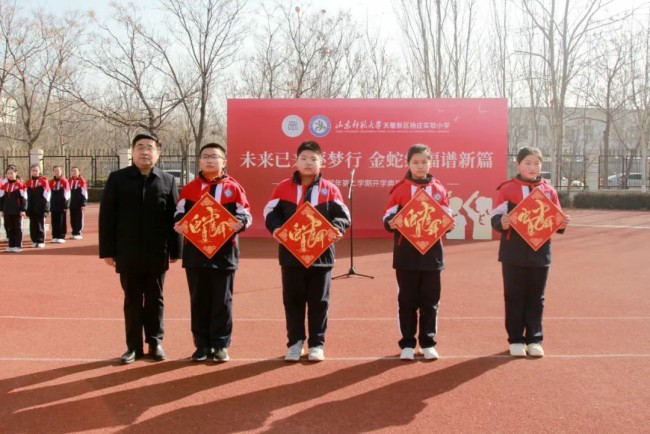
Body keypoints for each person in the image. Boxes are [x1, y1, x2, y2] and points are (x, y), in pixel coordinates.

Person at [99, 131, 182, 364]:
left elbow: (173, 218)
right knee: (132, 299)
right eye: (140, 147)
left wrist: (176, 250)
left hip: (157, 251)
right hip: (127, 251)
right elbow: (107, 216)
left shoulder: (167, 180)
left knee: (156, 298)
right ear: (133, 152)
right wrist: (107, 250)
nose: (145, 151)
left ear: (158, 152)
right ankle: (133, 347)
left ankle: (155, 342)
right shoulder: (117, 179)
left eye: (150, 147)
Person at [263, 140, 350, 362]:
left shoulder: (330, 189)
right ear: (296, 161)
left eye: (313, 159)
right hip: (291, 256)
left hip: (322, 256)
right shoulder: (283, 187)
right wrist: (276, 229)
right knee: (292, 300)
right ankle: (295, 343)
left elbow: (343, 216)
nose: (309, 163)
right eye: (304, 158)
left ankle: (317, 344)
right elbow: (270, 213)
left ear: (321, 161)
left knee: (319, 301)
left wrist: (337, 228)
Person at [174, 143, 252, 363]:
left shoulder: (234, 188)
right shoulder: (190, 188)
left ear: (224, 162)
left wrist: (241, 223)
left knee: (222, 300)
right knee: (198, 299)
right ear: (199, 161)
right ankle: (201, 345)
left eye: (214, 156)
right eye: (205, 156)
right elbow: (179, 213)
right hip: (195, 254)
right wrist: (179, 224)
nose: (209, 160)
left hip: (225, 253)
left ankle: (220, 345)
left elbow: (245, 214)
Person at [490, 146, 570, 358]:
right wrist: (503, 222)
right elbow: (495, 216)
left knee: (536, 297)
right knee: (514, 295)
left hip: (540, 252)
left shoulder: (549, 191)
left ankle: (534, 338)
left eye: (536, 163)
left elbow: (556, 220)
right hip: (513, 252)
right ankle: (515, 338)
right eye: (528, 163)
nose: (532, 167)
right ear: (518, 165)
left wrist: (562, 222)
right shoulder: (507, 189)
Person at [383, 143, 455, 361]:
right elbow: (387, 217)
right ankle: (407, 343)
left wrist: (449, 224)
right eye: (415, 162)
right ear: (408, 164)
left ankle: (428, 342)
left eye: (424, 162)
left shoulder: (439, 189)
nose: (420, 166)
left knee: (430, 300)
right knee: (407, 300)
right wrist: (391, 223)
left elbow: (447, 215)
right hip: (406, 255)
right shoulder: (400, 189)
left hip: (432, 255)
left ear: (430, 163)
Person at [0, 165, 27, 253]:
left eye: (12, 173)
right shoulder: (5, 185)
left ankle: (18, 245)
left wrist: (23, 209)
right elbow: (2, 198)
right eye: (8, 173)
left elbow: (24, 198)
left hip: (17, 211)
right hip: (7, 210)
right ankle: (11, 245)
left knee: (18, 228)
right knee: (9, 228)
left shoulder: (20, 184)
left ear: (16, 173)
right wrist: (1, 210)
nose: (10, 175)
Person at [25, 164, 50, 248]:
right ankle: (34, 240)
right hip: (31, 207)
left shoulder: (44, 181)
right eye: (33, 170)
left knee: (40, 224)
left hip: (40, 207)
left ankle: (40, 240)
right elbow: (26, 196)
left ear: (39, 171)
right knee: (32, 225)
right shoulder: (28, 182)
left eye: (36, 170)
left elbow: (47, 195)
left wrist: (46, 208)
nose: (34, 172)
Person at [49, 165, 70, 243]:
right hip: (54, 204)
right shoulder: (51, 182)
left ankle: (61, 236)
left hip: (62, 204)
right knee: (54, 221)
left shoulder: (64, 181)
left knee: (61, 220)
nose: (57, 172)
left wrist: (66, 205)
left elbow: (67, 194)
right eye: (55, 171)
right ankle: (55, 236)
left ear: (61, 172)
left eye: (58, 171)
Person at [68, 166, 88, 239]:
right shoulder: (69, 180)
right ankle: (74, 232)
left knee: (79, 218)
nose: (74, 172)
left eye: (75, 171)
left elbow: (84, 193)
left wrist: (83, 203)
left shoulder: (82, 180)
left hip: (79, 203)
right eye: (72, 171)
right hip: (72, 203)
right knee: (72, 218)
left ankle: (78, 232)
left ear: (78, 172)